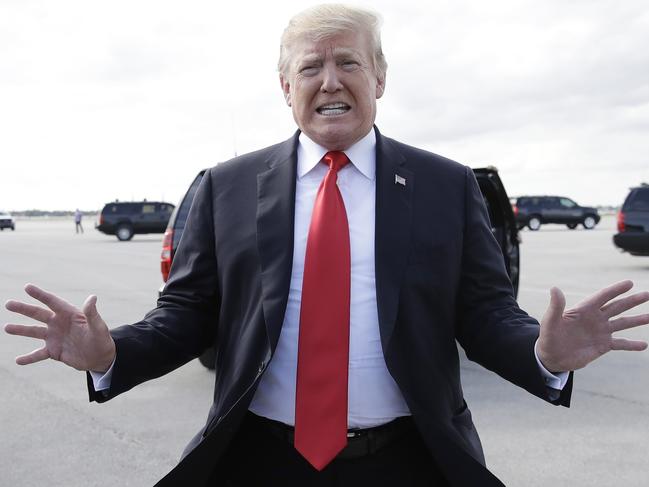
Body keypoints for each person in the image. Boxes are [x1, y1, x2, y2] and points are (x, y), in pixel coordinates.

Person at [4, 5, 649, 486]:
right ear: (286, 88)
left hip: (408, 459)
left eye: (349, 62)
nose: (330, 80)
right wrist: (110, 351)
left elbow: (482, 312)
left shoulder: (444, 185)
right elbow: (188, 313)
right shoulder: (225, 187)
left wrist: (543, 352)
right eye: (310, 67)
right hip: (261, 458)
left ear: (380, 77)